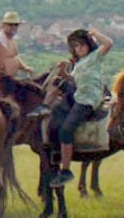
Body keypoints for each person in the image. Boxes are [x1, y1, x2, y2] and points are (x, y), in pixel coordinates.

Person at [28, 28, 113, 187]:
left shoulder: (95, 57)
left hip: (88, 99)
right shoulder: (79, 64)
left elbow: (109, 43)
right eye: (76, 46)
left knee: (66, 130)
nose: (79, 49)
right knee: (57, 82)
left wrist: (95, 33)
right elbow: (73, 81)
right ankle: (45, 106)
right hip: (78, 94)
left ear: (89, 45)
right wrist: (63, 72)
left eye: (82, 45)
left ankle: (65, 170)